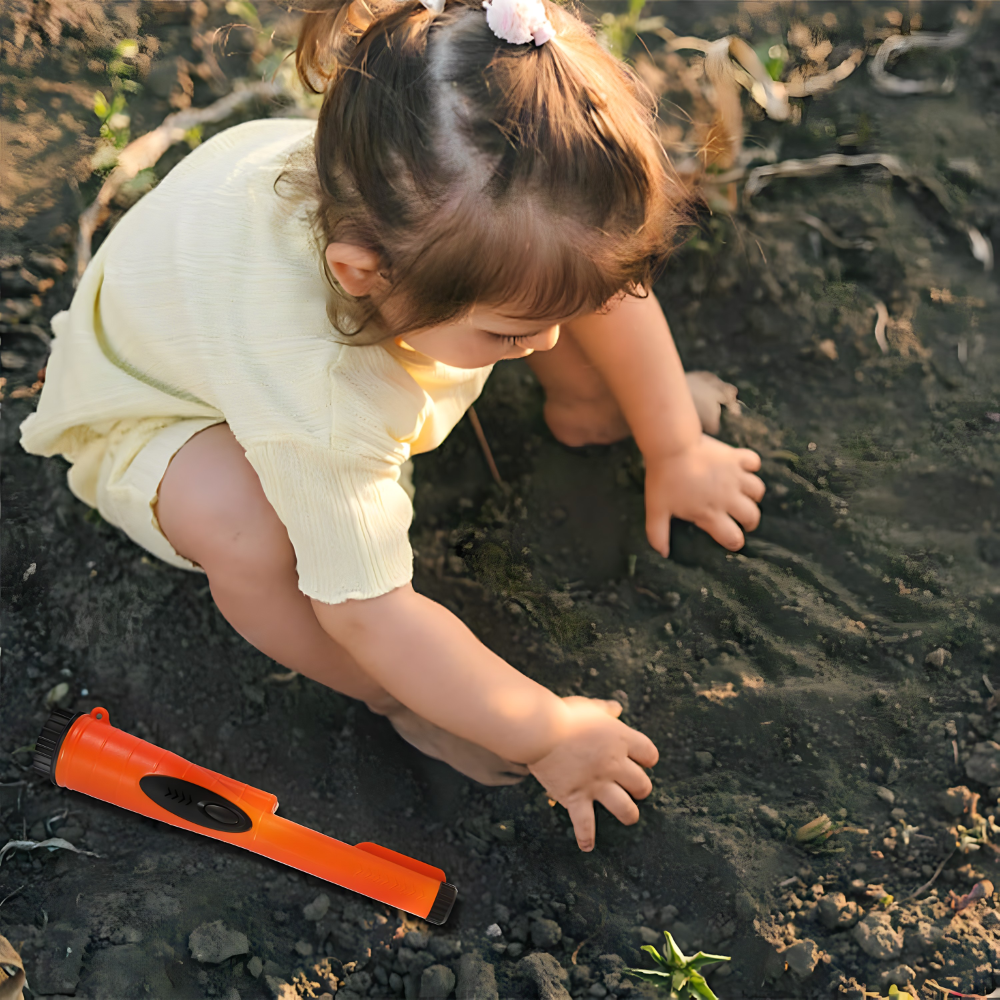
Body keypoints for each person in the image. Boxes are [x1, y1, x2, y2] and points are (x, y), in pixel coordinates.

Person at [20, 0, 764, 852]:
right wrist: (544, 732)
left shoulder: (426, 195)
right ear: (360, 274)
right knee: (252, 535)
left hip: (265, 317)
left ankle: (590, 410)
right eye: (512, 335)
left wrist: (674, 442)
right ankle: (399, 705)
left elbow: (579, 291)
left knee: (558, 278)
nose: (549, 341)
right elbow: (367, 612)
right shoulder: (325, 400)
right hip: (156, 409)